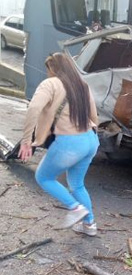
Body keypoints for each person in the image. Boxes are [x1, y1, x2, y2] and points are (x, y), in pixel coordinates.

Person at [19, 53, 100, 234]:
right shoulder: (82, 85)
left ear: (53, 69)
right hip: (91, 139)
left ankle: (75, 208)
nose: (47, 73)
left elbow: (33, 108)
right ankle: (89, 224)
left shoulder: (51, 84)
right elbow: (94, 115)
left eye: (48, 69)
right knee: (77, 184)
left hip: (70, 143)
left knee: (44, 177)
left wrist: (27, 141)